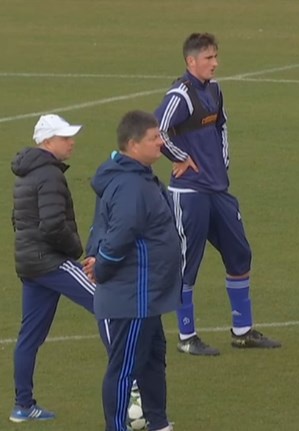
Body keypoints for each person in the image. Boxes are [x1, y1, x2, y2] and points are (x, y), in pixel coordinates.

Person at [154, 32, 280, 356]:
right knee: (187, 263)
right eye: (208, 58)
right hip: (189, 193)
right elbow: (157, 130)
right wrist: (180, 157)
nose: (215, 63)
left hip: (218, 190)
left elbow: (221, 126)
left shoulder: (215, 90)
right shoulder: (180, 95)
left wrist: (222, 164)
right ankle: (187, 337)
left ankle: (242, 331)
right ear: (191, 61)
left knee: (240, 255)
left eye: (215, 56)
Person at [9, 114, 110, 423]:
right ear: (48, 141)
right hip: (51, 261)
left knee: (29, 336)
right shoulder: (49, 174)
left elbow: (18, 219)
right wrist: (75, 250)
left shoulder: (26, 172)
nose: (72, 142)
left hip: (30, 264)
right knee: (109, 302)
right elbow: (53, 224)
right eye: (65, 137)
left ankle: (22, 406)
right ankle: (131, 384)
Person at [85, 111, 180, 431]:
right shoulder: (130, 185)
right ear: (133, 144)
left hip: (147, 294)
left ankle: (158, 422)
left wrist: (96, 256)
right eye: (154, 138)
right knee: (125, 369)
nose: (161, 142)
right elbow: (119, 235)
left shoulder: (139, 177)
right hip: (132, 296)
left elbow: (100, 227)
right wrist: (102, 266)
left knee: (152, 360)